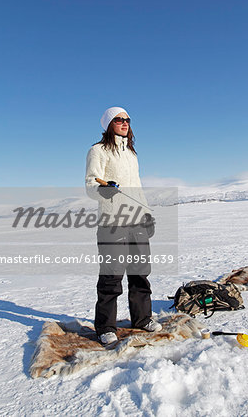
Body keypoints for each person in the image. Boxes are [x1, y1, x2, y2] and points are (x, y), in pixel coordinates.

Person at [85, 106, 162, 345]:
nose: (125, 123)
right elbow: (90, 184)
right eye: (119, 120)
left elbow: (137, 189)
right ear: (109, 124)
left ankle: (141, 319)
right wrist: (103, 190)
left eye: (127, 119)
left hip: (136, 220)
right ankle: (106, 327)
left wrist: (147, 214)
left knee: (140, 275)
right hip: (112, 224)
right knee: (111, 277)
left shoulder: (131, 154)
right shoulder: (98, 151)